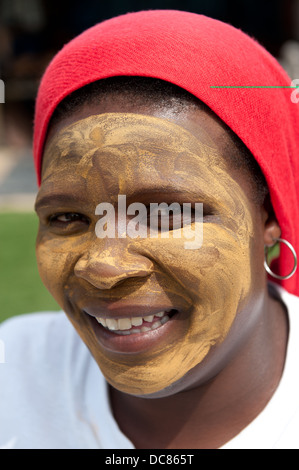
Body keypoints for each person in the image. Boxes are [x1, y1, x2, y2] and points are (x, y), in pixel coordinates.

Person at [1, 10, 299, 449]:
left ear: (268, 216)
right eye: (68, 217)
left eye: (164, 213)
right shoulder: (13, 370)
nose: (103, 267)